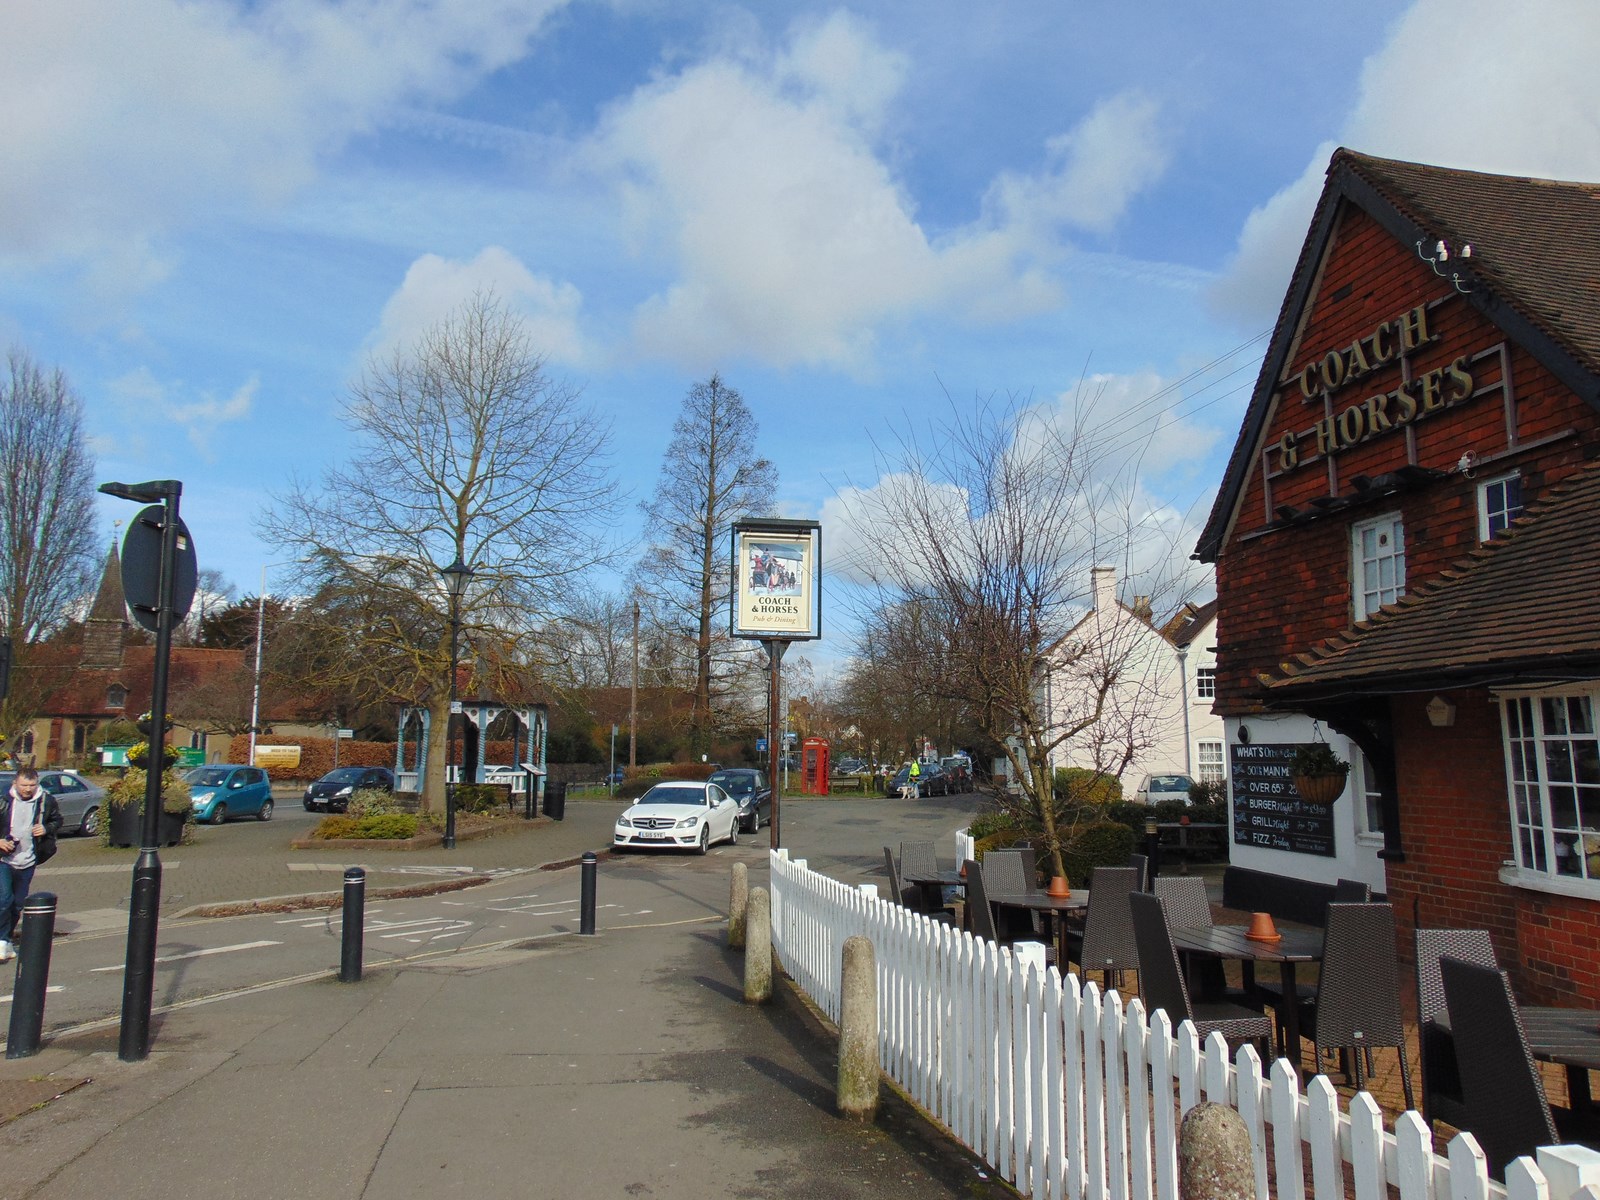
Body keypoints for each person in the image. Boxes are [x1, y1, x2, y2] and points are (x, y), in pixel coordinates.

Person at [0, 768, 61, 961]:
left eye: (31, 785)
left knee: (17, 904)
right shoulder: (3, 801)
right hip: (4, 860)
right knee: (4, 900)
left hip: (28, 860)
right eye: (24, 785)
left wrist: (45, 828)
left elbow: (57, 820)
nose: (28, 789)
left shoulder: (46, 801)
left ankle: (7, 939)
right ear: (15, 784)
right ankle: (1, 940)